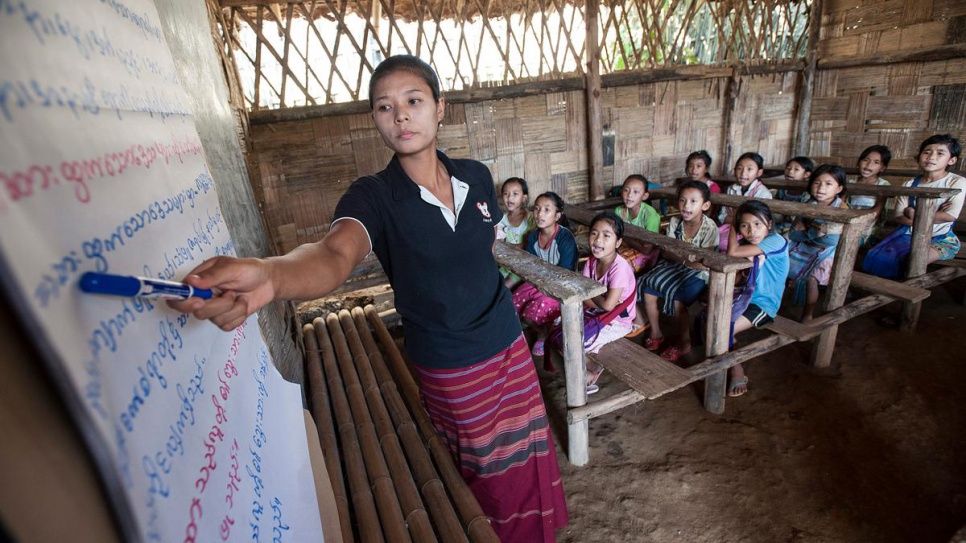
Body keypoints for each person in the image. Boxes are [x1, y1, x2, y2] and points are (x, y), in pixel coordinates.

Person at [169, 55, 568, 542]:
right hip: (453, 364)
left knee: (529, 452)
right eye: (385, 107)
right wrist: (272, 277)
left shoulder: (476, 177)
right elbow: (334, 253)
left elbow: (482, 246)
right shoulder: (374, 196)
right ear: (376, 120)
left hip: (507, 343)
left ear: (440, 108)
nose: (400, 115)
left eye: (413, 101)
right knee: (488, 474)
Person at [550, 212, 637, 394]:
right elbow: (587, 295)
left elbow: (608, 306)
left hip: (617, 321)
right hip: (598, 314)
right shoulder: (591, 261)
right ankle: (592, 367)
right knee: (558, 331)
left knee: (572, 343)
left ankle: (587, 374)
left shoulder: (619, 267)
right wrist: (596, 296)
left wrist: (592, 295)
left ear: (618, 242)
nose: (598, 240)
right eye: (594, 233)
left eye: (607, 235)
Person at [863, 134, 965, 281]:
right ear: (919, 156)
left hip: (941, 238)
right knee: (875, 255)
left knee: (915, 260)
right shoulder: (909, 184)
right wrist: (931, 216)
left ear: (952, 160)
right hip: (907, 235)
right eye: (927, 152)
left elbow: (949, 216)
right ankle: (887, 291)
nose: (931, 157)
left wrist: (912, 212)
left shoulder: (957, 182)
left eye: (940, 153)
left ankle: (908, 296)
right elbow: (899, 216)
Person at [638, 181, 719, 361]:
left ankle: (684, 342)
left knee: (677, 299)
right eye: (682, 200)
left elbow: (705, 263)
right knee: (647, 286)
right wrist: (686, 259)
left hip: (699, 274)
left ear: (705, 205)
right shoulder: (675, 222)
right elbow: (666, 252)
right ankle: (656, 332)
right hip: (676, 265)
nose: (686, 205)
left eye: (693, 201)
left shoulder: (709, 227)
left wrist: (682, 258)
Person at [724, 201, 789, 397]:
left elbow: (732, 252)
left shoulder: (775, 241)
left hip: (764, 304)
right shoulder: (749, 244)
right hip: (745, 297)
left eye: (757, 224)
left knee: (723, 328)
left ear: (769, 224)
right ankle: (724, 358)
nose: (751, 231)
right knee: (711, 320)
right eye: (744, 225)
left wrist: (733, 225)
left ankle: (737, 371)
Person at [513, 191, 577, 359]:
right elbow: (531, 264)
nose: (540, 214)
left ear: (557, 215)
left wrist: (543, 282)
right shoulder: (534, 237)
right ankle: (542, 327)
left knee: (530, 313)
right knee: (512, 302)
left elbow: (566, 272)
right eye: (537, 209)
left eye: (547, 210)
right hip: (540, 281)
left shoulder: (565, 238)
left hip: (562, 286)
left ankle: (544, 334)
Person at [785, 164, 848, 322]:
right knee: (776, 261)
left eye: (828, 184)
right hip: (803, 246)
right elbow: (793, 233)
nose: (821, 188)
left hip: (828, 251)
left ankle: (808, 313)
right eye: (817, 182)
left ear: (839, 188)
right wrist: (814, 232)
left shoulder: (841, 209)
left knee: (812, 279)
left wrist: (806, 231)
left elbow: (830, 240)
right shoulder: (807, 203)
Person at [718, 152, 773, 251]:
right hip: (732, 229)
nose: (743, 173)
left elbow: (758, 223)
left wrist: (736, 219)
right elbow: (722, 216)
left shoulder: (763, 193)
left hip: (752, 234)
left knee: (725, 245)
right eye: (739, 168)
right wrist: (741, 221)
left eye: (749, 169)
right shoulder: (731, 189)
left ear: (759, 172)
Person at [847, 145, 892, 245]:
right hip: (849, 222)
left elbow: (875, 214)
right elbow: (841, 205)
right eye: (866, 160)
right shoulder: (850, 183)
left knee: (850, 241)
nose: (868, 165)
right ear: (859, 162)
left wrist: (857, 222)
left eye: (876, 162)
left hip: (870, 227)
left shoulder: (883, 185)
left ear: (882, 168)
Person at [497, 176, 535, 288]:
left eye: (515, 194)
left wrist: (516, 246)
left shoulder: (532, 218)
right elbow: (499, 246)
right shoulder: (500, 220)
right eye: (506, 193)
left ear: (524, 197)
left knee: (504, 288)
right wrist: (521, 245)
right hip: (506, 266)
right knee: (494, 286)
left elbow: (534, 243)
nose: (509, 198)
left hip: (526, 268)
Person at [774, 156, 815, 234]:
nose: (790, 172)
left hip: (794, 228)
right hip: (778, 225)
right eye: (788, 168)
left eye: (796, 169)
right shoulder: (782, 189)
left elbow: (804, 217)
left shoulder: (807, 194)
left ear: (806, 174)